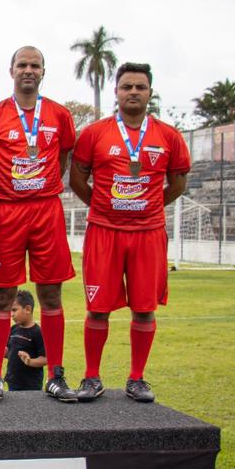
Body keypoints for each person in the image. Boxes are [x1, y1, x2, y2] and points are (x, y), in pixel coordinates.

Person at [70, 62, 190, 402]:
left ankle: (137, 378)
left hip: (148, 233)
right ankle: (92, 376)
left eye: (140, 86)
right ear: (117, 92)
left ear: (149, 92)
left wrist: (149, 206)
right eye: (127, 86)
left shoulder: (168, 136)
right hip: (104, 232)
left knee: (144, 307)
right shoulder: (95, 134)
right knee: (97, 308)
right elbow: (77, 179)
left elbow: (178, 183)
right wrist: (104, 205)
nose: (133, 92)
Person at [0, 47, 78, 402]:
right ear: (11, 70)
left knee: (50, 293)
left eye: (34, 65)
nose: (28, 71)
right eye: (22, 65)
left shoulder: (60, 115)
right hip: (7, 214)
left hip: (46, 211)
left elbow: (63, 158)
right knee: (2, 295)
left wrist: (41, 185)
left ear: (43, 71)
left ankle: (57, 374)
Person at [3, 289, 47, 392]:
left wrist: (30, 361)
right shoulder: (13, 329)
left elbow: (46, 359)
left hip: (31, 385)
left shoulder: (38, 332)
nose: (11, 314)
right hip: (13, 382)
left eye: (14, 310)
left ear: (27, 309)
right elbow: (9, 353)